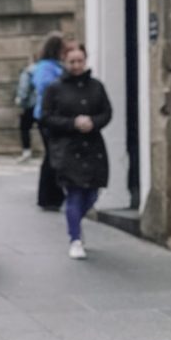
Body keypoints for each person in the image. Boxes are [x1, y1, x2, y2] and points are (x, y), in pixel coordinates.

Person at [41, 43, 112, 260]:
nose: (77, 65)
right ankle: (75, 238)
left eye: (80, 60)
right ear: (64, 61)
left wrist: (94, 122)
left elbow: (107, 112)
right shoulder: (54, 88)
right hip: (67, 147)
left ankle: (75, 221)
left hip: (92, 146)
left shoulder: (96, 86)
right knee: (74, 193)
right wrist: (73, 123)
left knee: (91, 193)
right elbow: (46, 117)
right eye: (72, 61)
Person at [26, 35, 67, 209]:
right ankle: (48, 197)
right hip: (48, 116)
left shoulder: (53, 66)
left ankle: (52, 196)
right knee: (52, 156)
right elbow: (44, 86)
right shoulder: (46, 67)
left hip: (53, 114)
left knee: (52, 156)